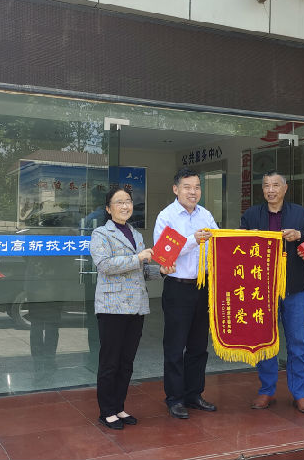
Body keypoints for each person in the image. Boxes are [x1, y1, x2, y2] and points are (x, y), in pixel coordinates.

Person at [90, 187, 174, 430]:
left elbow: (142, 271)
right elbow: (105, 265)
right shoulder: (100, 234)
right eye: (119, 202)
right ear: (108, 209)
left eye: (128, 201)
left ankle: (119, 406)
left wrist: (161, 271)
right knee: (110, 362)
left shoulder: (136, 234)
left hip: (136, 306)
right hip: (112, 307)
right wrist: (138, 258)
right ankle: (106, 411)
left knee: (126, 361)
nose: (125, 206)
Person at [240, 171, 304, 413]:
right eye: (266, 186)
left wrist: (300, 235)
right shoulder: (251, 214)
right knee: (265, 341)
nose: (270, 190)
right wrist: (249, 238)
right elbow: (237, 245)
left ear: (285, 188)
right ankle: (267, 390)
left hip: (292, 288)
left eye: (275, 185)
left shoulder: (298, 213)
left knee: (296, 341)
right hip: (261, 290)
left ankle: (299, 393)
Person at [153, 168, 219, 419]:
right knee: (175, 346)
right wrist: (193, 239)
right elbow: (163, 253)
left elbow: (218, 244)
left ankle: (194, 394)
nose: (193, 192)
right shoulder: (166, 216)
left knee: (198, 346)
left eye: (197, 187)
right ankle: (174, 398)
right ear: (176, 189)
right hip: (178, 287)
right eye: (187, 187)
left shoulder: (206, 215)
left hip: (203, 287)